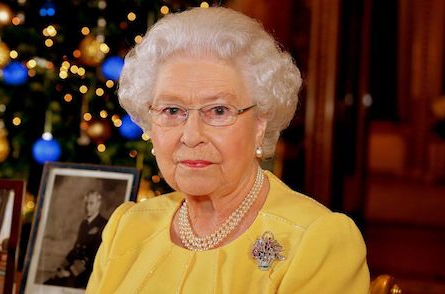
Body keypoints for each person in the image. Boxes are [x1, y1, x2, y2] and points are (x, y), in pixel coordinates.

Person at [86, 7, 369, 293]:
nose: (192, 136)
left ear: (260, 122)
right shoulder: (126, 228)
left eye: (218, 111)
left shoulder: (317, 241)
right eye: (172, 110)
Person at [46, 190, 107, 288]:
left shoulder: (103, 224)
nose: (87, 207)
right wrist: (61, 266)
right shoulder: (84, 224)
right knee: (48, 283)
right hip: (76, 271)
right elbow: (76, 249)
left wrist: (70, 272)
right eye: (86, 203)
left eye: (91, 203)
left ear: (98, 204)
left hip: (88, 274)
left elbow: (94, 256)